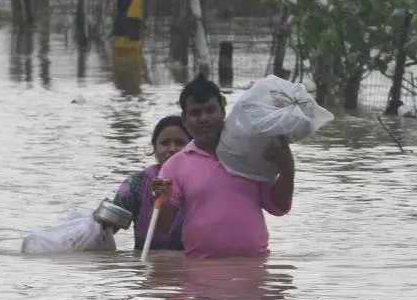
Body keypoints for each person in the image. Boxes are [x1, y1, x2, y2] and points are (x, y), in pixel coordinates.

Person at [152, 74, 294, 260]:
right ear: (185, 120)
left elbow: (279, 207)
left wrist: (287, 171)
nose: (204, 118)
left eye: (210, 110)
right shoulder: (174, 166)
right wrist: (163, 196)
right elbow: (162, 229)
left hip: (254, 269)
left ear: (223, 110)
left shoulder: (250, 151)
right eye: (195, 113)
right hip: (200, 271)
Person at [108, 115, 190, 253]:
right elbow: (107, 231)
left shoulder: (202, 182)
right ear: (154, 148)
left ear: (192, 146)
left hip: (190, 266)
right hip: (145, 269)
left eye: (180, 142)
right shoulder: (136, 184)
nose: (172, 149)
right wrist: (102, 217)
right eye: (165, 143)